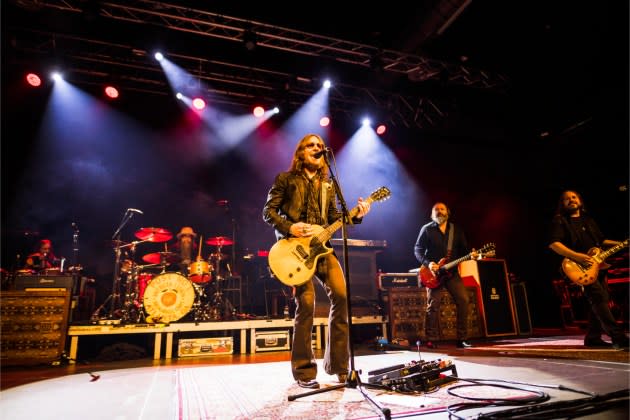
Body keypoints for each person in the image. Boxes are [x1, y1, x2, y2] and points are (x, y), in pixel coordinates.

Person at [262, 133, 371, 389]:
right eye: (311, 145)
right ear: (300, 152)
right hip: (293, 250)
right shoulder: (286, 179)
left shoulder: (328, 185)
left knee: (342, 297)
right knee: (307, 303)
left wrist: (356, 215)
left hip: (322, 248)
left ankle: (339, 366)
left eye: (320, 146)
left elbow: (335, 217)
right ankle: (304, 371)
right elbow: (268, 212)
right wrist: (291, 227)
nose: (317, 148)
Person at [548, 190, 629, 349]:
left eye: (574, 197)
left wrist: (624, 243)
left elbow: (601, 241)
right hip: (576, 267)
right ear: (562, 204)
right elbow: (554, 244)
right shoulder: (560, 221)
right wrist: (577, 256)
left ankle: (593, 338)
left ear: (580, 201)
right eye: (566, 199)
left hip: (596, 267)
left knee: (601, 300)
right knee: (598, 298)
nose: (571, 200)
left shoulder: (588, 220)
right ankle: (618, 337)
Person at [414, 202, 474, 349]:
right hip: (433, 274)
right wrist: (429, 264)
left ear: (448, 212)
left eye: (442, 209)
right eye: (436, 209)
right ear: (432, 213)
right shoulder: (426, 229)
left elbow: (464, 252)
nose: (439, 211)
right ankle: (431, 339)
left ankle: (462, 338)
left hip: (452, 274)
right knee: (433, 306)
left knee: (463, 300)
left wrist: (472, 255)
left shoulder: (456, 230)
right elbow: (418, 250)